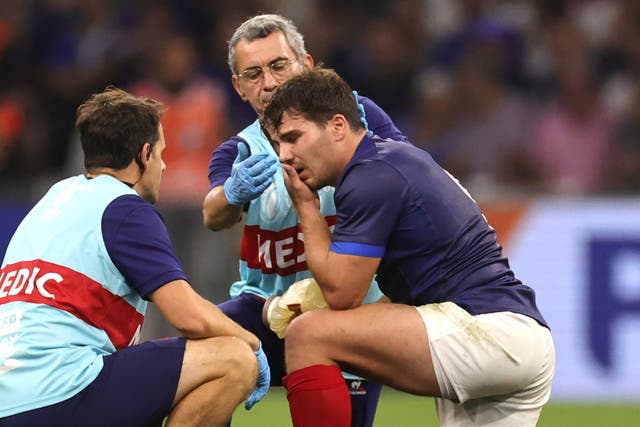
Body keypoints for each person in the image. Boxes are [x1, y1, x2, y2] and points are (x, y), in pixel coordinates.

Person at [261, 68, 556, 427]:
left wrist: (306, 208)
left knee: (310, 335)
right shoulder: (392, 160)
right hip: (521, 340)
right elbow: (405, 297)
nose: (284, 155)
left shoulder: (369, 174)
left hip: (487, 329)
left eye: (293, 137)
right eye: (278, 144)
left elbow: (342, 293)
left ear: (338, 126)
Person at [0, 87, 269, 427]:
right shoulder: (124, 207)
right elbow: (188, 316)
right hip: (63, 392)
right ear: (144, 155)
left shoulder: (53, 198)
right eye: (161, 153)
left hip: (10, 402)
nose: (165, 165)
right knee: (234, 359)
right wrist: (252, 343)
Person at [202, 14, 407, 427]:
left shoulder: (355, 116)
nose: (271, 83)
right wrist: (232, 193)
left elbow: (408, 175)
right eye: (254, 74)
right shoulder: (238, 150)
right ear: (239, 87)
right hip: (264, 308)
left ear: (307, 65)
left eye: (280, 66)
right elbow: (212, 213)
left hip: (347, 308)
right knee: (198, 357)